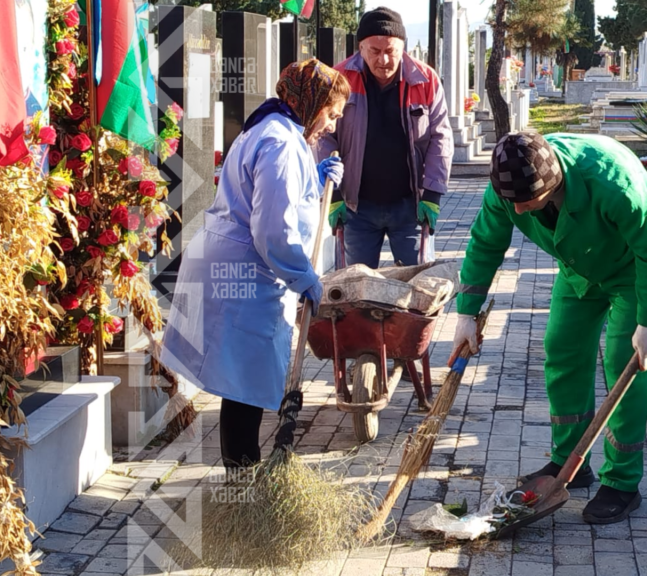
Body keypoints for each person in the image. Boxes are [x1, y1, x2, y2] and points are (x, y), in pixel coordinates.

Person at [451, 132, 647, 524]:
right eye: (513, 203)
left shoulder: (611, 181)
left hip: (633, 271)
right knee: (561, 349)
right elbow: (485, 244)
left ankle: (622, 483)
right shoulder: (506, 188)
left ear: (554, 182)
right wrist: (465, 314)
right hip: (579, 269)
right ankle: (569, 462)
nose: (520, 211)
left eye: (528, 202)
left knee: (623, 364)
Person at [161, 60, 349, 469]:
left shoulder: (272, 131)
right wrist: (304, 277)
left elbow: (274, 200)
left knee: (240, 386)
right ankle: (243, 480)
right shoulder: (281, 142)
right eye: (331, 114)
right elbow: (272, 230)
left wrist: (314, 182)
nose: (332, 126)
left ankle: (240, 474)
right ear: (311, 103)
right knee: (244, 389)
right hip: (245, 274)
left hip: (240, 269)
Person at [318, 7, 453, 269]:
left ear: (402, 47)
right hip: (357, 207)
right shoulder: (340, 79)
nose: (384, 60)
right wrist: (332, 195)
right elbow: (324, 137)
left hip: (411, 206)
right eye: (375, 51)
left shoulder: (425, 81)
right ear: (360, 47)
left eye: (391, 51)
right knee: (356, 289)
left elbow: (440, 136)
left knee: (417, 285)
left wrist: (433, 195)